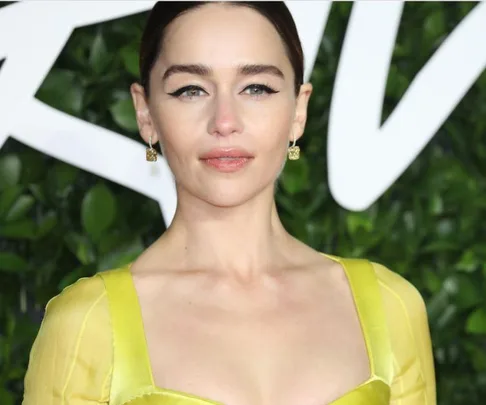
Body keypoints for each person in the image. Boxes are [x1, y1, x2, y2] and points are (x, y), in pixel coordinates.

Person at [22, 2, 436, 405]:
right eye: (190, 90)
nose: (224, 121)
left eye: (256, 88)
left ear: (299, 110)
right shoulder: (86, 325)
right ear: (145, 113)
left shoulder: (390, 306)